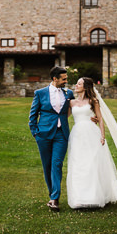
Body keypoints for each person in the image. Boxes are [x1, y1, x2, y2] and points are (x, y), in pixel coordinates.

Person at [66, 76, 117, 209]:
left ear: (85, 87)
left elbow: (101, 119)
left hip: (91, 133)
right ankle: (79, 198)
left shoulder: (93, 101)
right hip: (77, 135)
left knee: (92, 163)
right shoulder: (71, 103)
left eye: (79, 84)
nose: (76, 85)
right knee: (78, 163)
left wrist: (102, 136)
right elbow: (64, 117)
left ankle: (94, 196)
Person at [28, 66, 75, 212]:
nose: (66, 81)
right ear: (55, 79)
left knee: (57, 164)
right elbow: (33, 115)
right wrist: (35, 132)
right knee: (47, 165)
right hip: (43, 134)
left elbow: (78, 107)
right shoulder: (40, 93)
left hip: (61, 134)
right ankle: (52, 194)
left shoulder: (69, 93)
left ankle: (55, 198)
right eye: (64, 79)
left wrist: (91, 117)